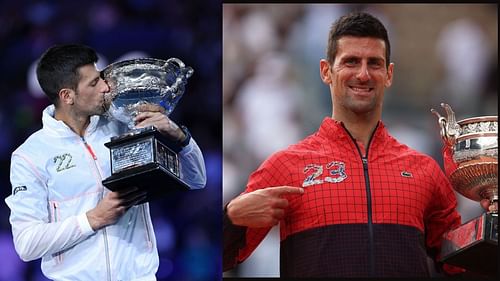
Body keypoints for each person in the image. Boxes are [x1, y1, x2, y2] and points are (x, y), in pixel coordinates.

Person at [223, 12, 492, 278]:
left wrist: (491, 225)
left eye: (374, 63)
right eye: (351, 62)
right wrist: (230, 217)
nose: (363, 75)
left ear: (389, 74)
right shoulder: (285, 167)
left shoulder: (425, 171)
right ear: (326, 71)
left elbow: (459, 267)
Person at [4, 44, 206, 280]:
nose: (106, 87)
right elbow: (27, 244)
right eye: (93, 83)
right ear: (67, 96)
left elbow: (197, 179)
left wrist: (178, 136)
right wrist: (93, 219)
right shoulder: (30, 155)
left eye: (101, 77)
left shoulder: (125, 124)